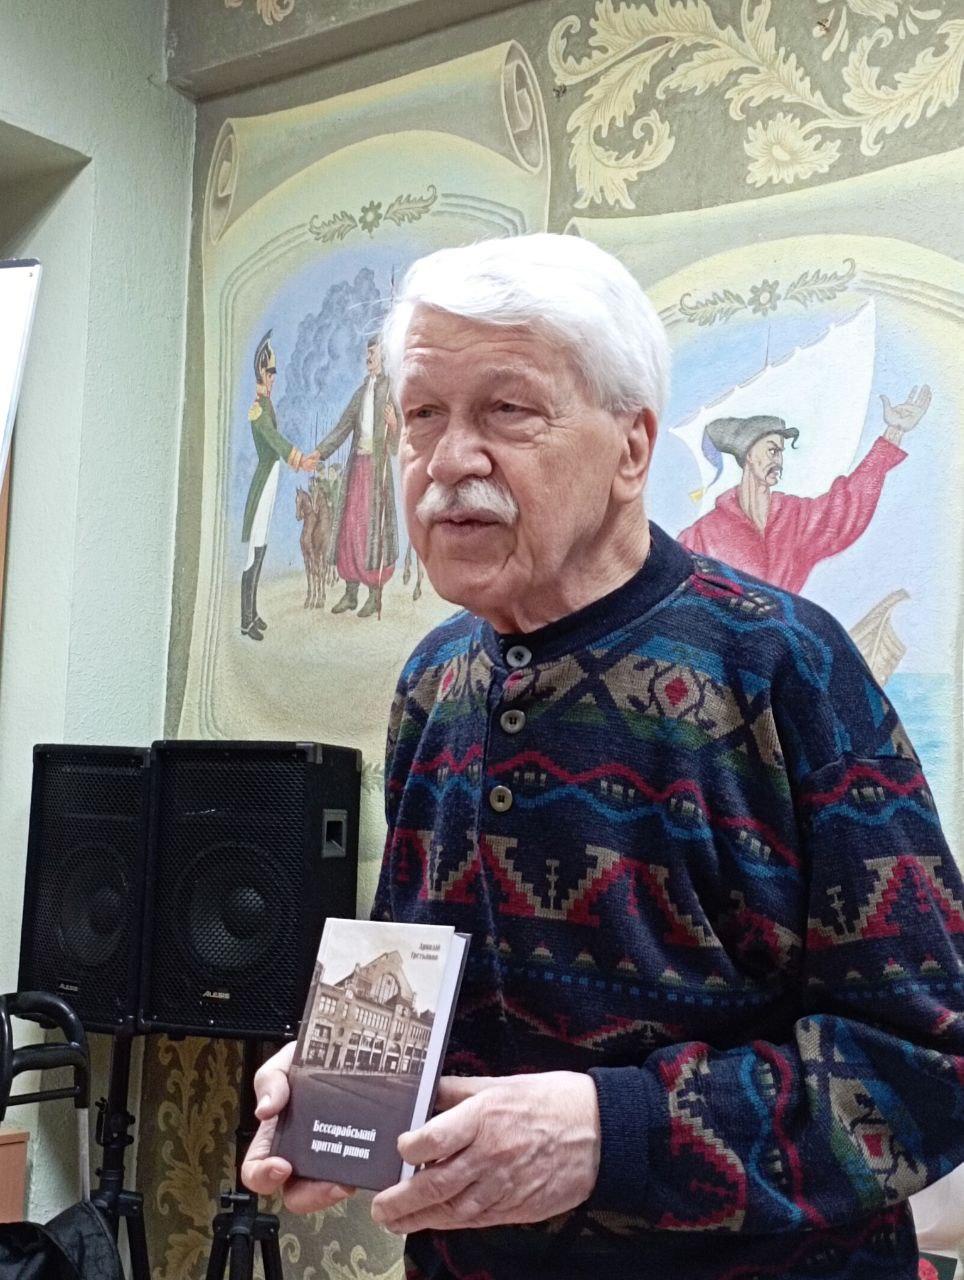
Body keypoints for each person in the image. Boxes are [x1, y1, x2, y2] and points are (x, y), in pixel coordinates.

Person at [242, 235, 964, 1279]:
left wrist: (609, 1133)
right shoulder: (433, 678)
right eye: (422, 415)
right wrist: (343, 1086)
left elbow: (930, 1065)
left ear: (633, 448)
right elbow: (417, 968)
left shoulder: (784, 665)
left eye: (507, 410)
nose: (448, 461)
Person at [677, 387, 931, 593]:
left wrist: (894, 432)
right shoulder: (702, 534)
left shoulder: (795, 517)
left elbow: (847, 506)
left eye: (781, 453)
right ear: (749, 454)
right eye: (772, 450)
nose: (778, 461)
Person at [313, 336, 400, 619]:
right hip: (357, 468)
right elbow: (342, 427)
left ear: (383, 356)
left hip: (377, 471)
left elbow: (398, 440)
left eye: (373, 353)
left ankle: (374, 595)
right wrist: (319, 453)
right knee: (350, 528)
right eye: (367, 353)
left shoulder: (391, 390)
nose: (368, 358)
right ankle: (351, 593)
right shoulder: (361, 392)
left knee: (373, 531)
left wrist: (394, 424)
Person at [241, 331, 318, 640]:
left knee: (261, 549)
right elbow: (274, 440)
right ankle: (245, 620)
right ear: (261, 371)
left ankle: (252, 614)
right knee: (253, 553)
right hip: (262, 486)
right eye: (270, 372)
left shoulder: (267, 405)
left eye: (274, 373)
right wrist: (299, 459)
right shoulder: (258, 409)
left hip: (270, 483)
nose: (273, 377)